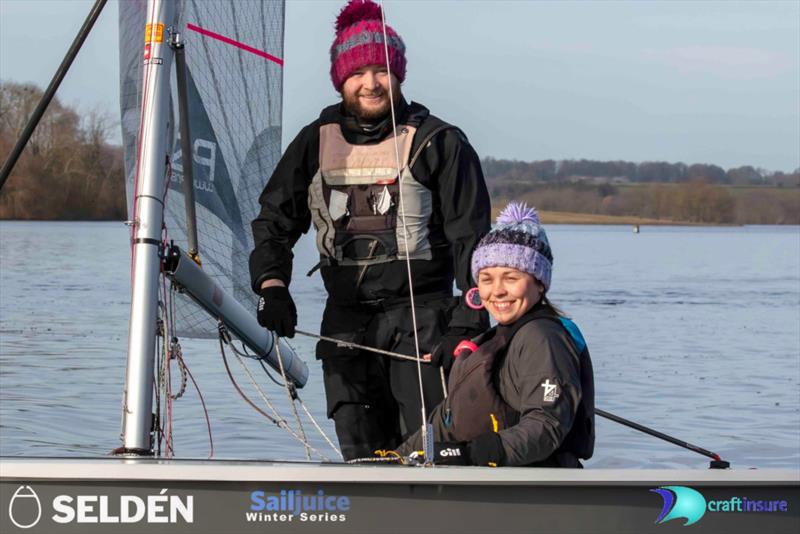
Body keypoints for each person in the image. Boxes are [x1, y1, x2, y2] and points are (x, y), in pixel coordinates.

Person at [249, 0, 490, 460]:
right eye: (358, 73)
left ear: (399, 75)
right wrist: (272, 286)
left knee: (429, 453)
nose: (371, 83)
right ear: (341, 79)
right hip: (345, 326)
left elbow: (473, 241)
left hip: (425, 325)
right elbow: (273, 222)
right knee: (360, 458)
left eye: (382, 70)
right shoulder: (314, 142)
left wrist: (469, 320)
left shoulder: (440, 141)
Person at [396, 202, 595, 467]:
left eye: (510, 278)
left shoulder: (544, 339)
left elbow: (547, 423)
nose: (497, 291)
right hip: (484, 477)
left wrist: (486, 451)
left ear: (539, 283)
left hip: (534, 482)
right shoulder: (489, 341)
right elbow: (445, 421)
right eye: (487, 279)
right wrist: (396, 458)